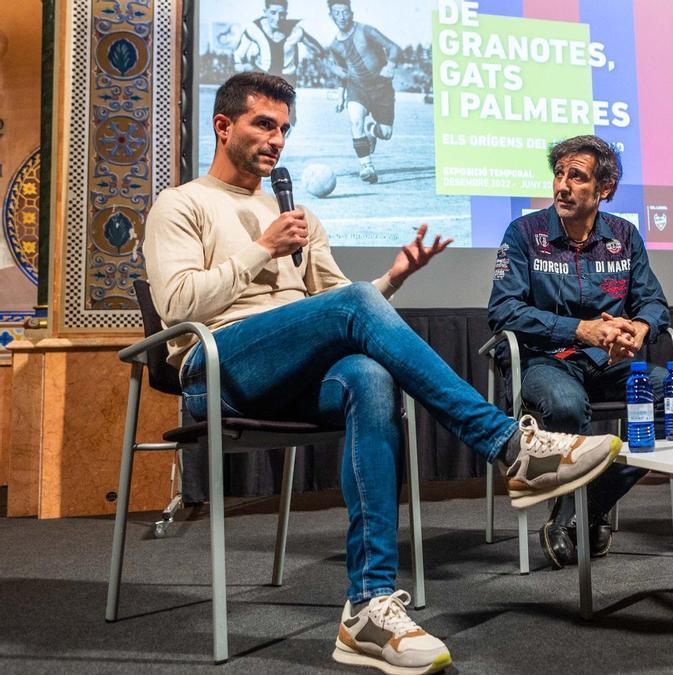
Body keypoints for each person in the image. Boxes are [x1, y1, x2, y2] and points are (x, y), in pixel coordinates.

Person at [144, 72, 621, 674]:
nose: (277, 140)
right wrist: (261, 248)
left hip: (295, 374)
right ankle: (507, 445)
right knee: (354, 319)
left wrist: (394, 278)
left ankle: (367, 608)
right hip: (220, 367)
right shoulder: (182, 204)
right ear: (223, 126)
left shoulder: (296, 217)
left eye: (285, 129)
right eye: (264, 125)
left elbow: (346, 302)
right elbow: (179, 306)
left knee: (369, 376)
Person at [488, 135, 673, 570]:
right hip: (544, 361)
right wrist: (580, 330)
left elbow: (654, 303)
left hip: (608, 364)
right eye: (559, 174)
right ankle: (580, 512)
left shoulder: (624, 236)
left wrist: (640, 329)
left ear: (604, 189)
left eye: (576, 176)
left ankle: (585, 505)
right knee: (566, 405)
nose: (562, 186)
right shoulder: (525, 234)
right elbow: (504, 311)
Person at [322, 0, 401, 184]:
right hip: (357, 88)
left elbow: (394, 48)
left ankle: (372, 130)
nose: (341, 17)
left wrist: (391, 65)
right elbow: (342, 72)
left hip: (382, 88)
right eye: (337, 13)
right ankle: (367, 166)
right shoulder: (334, 46)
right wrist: (341, 93)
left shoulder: (366, 31)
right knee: (355, 121)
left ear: (351, 13)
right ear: (331, 16)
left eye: (345, 12)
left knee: (386, 134)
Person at [232, 0, 324, 126]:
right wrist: (242, 68)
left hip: (287, 79)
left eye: (281, 14)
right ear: (265, 12)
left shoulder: (296, 31)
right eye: (273, 13)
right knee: (262, 115)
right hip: (263, 77)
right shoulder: (254, 29)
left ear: (286, 14)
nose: (277, 18)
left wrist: (323, 59)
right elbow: (238, 55)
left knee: (289, 120)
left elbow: (319, 50)